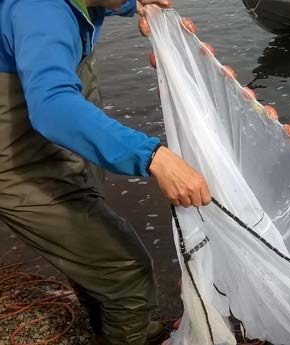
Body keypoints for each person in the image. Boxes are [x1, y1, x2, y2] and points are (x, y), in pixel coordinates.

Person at [0, 0, 210, 344]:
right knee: (126, 271)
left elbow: (104, 3)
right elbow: (52, 106)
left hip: (55, 146)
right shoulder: (40, 10)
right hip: (16, 162)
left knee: (95, 258)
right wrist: (154, 157)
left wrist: (136, 6)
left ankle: (119, 324)